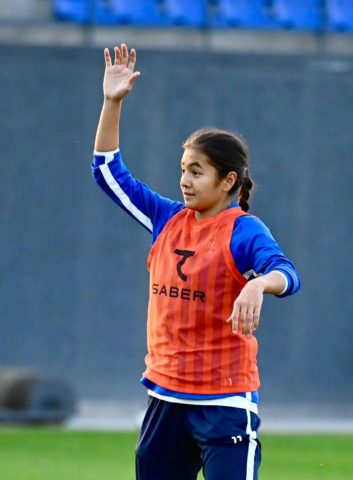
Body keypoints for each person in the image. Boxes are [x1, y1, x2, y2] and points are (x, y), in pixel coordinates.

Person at [91, 44, 300, 480]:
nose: (185, 180)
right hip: (165, 397)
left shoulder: (244, 230)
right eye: (183, 169)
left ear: (227, 181)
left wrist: (258, 284)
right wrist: (112, 103)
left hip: (225, 402)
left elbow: (287, 274)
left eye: (197, 171)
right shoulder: (166, 219)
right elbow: (108, 172)